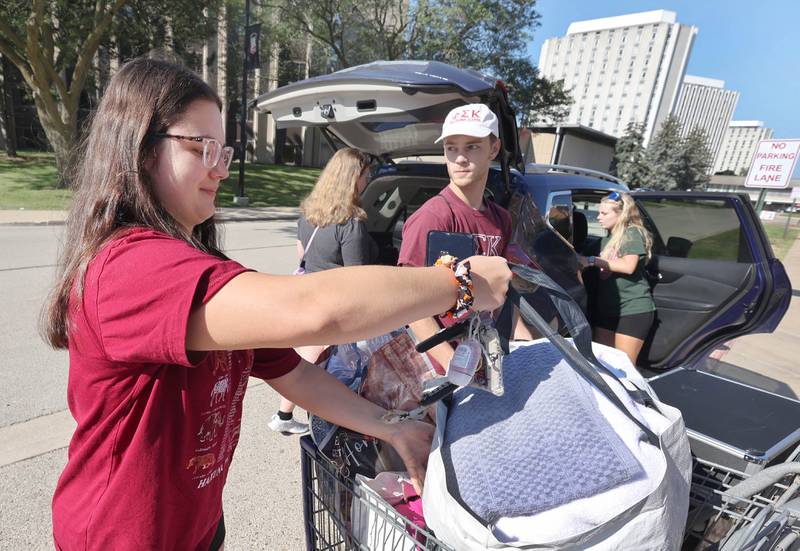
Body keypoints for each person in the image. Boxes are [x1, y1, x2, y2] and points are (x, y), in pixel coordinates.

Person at [41, 58, 512, 551]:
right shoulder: (130, 266)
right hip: (119, 537)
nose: (219, 168)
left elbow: (294, 374)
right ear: (139, 150)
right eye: (201, 148)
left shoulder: (194, 262)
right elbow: (315, 311)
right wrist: (459, 282)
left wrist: (391, 428)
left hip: (192, 527)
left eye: (223, 151)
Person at [397, 103, 533, 373]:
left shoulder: (501, 219)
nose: (460, 158)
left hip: (483, 354)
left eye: (472, 147)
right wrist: (454, 366)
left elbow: (502, 293)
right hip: (440, 368)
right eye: (451, 148)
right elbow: (410, 304)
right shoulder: (433, 217)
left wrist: (524, 342)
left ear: (493, 149)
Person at [268, 147, 378, 435]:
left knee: (306, 360)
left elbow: (301, 252)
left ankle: (284, 414)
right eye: (366, 175)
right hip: (336, 303)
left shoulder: (309, 214)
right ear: (353, 179)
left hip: (309, 294)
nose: (368, 180)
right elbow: (358, 275)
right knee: (340, 366)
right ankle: (337, 419)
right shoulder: (350, 221)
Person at [577, 191, 655, 365]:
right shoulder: (605, 240)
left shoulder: (632, 233)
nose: (598, 217)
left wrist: (592, 261)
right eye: (599, 212)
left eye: (604, 213)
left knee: (624, 368)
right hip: (607, 310)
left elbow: (628, 266)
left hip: (632, 310)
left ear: (621, 215)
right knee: (601, 364)